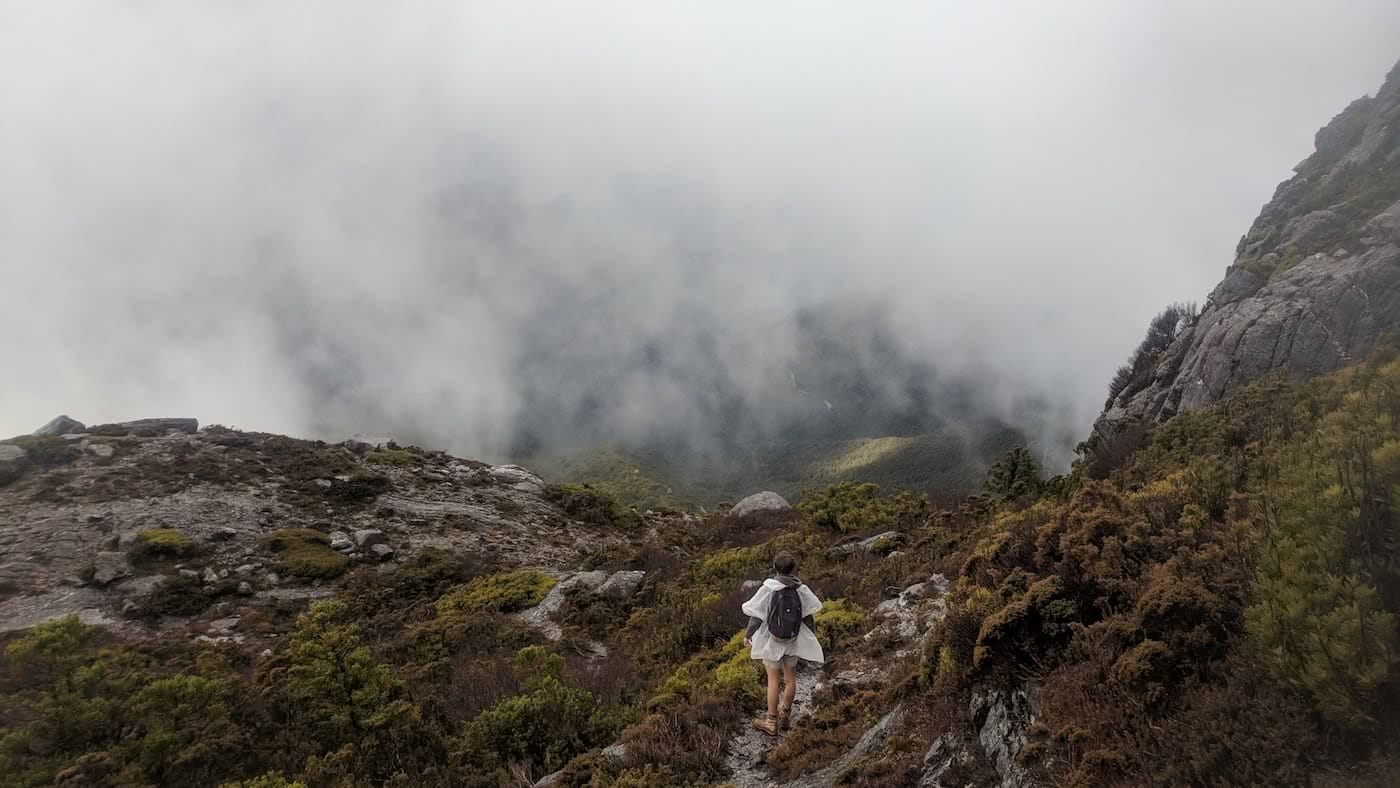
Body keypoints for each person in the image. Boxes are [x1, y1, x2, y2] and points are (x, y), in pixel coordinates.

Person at [741, 551, 824, 735]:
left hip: (773, 640)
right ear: (793, 569)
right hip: (792, 640)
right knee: (790, 680)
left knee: (773, 680)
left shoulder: (769, 588)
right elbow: (808, 617)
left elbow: (757, 615)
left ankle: (771, 721)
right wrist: (812, 636)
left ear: (775, 569)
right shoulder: (801, 589)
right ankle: (785, 714)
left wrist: (749, 635)